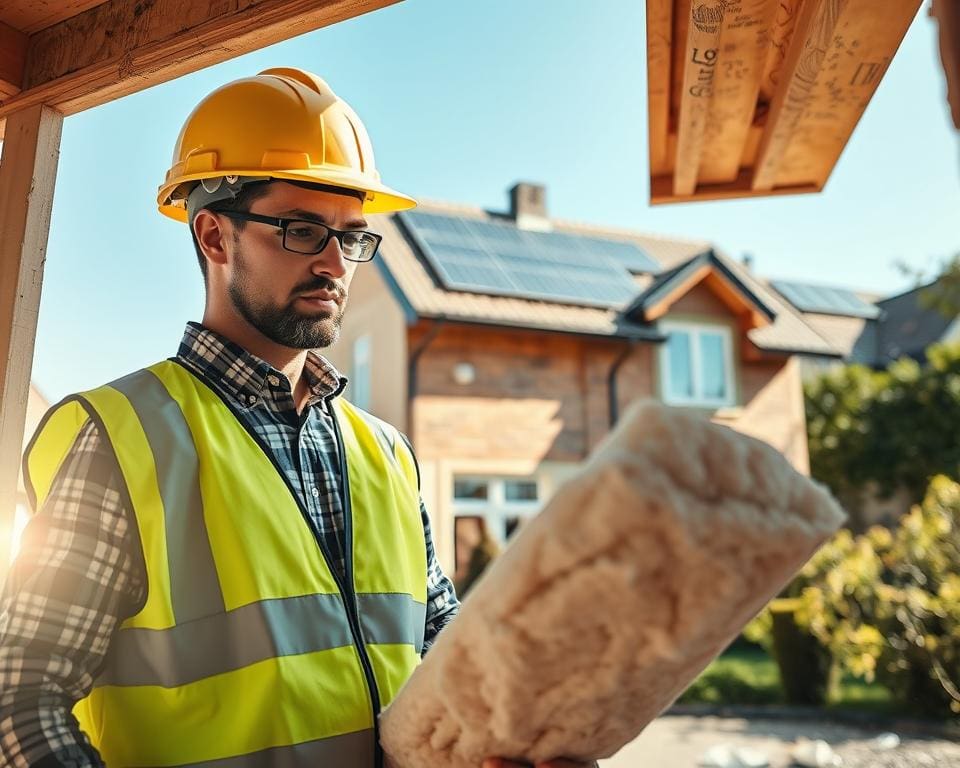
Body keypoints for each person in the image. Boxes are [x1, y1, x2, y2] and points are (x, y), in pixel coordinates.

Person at [0, 68, 595, 768]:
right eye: (302, 230)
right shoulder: (122, 435)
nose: (335, 264)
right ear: (215, 237)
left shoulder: (388, 455)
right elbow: (20, 697)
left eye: (351, 237)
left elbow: (442, 654)